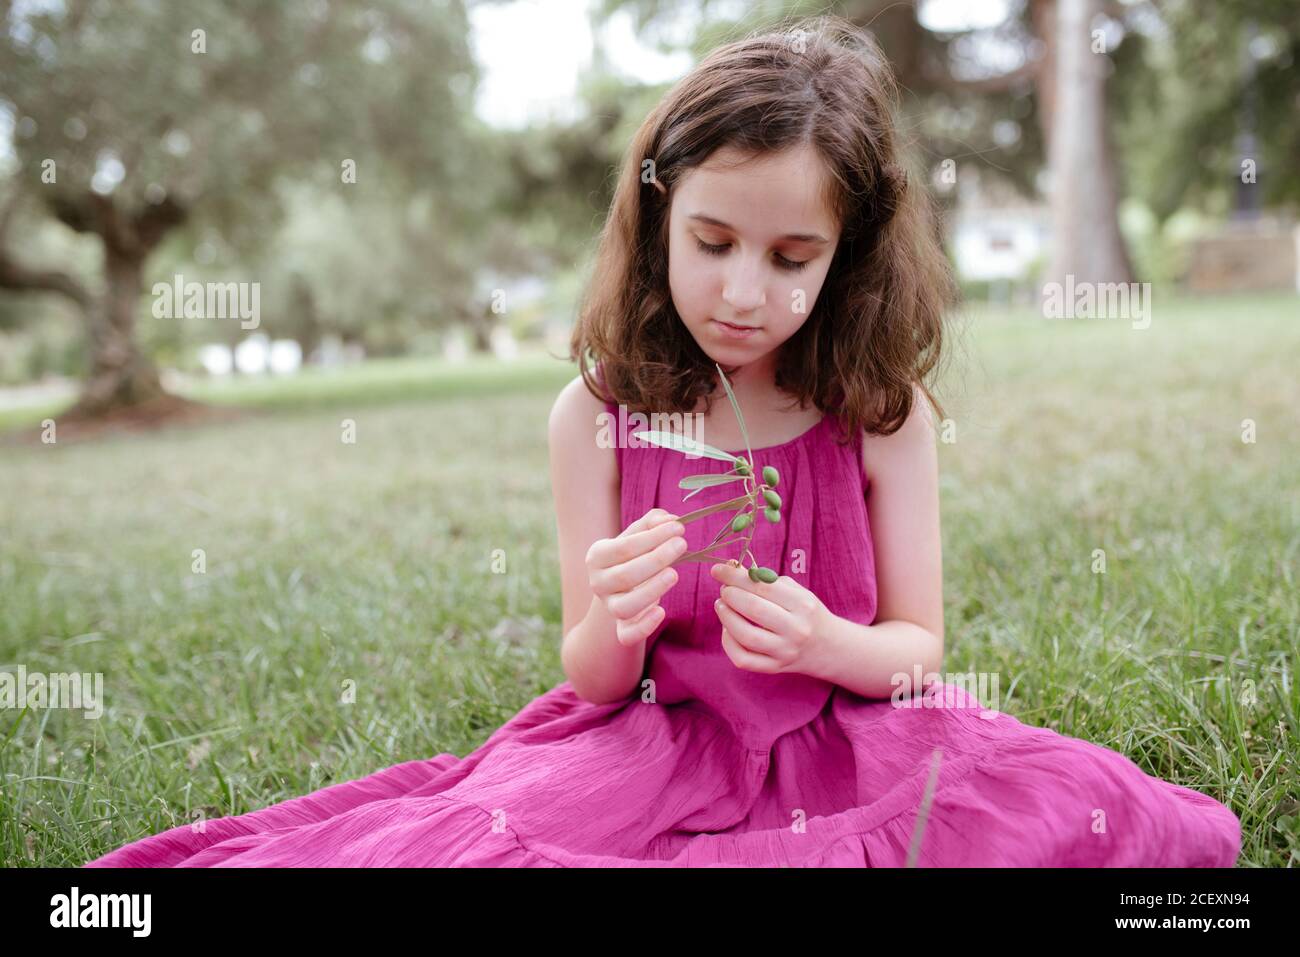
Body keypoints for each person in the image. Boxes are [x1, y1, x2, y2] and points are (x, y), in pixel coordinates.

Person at [84, 13, 1241, 867]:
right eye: (713, 240)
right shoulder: (593, 418)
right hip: (651, 745)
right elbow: (589, 675)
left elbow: (918, 649)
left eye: (792, 258)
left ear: (847, 257)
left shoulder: (879, 419)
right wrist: (615, 616)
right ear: (656, 222)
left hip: (850, 744)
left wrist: (828, 642)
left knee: (1075, 820)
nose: (745, 291)